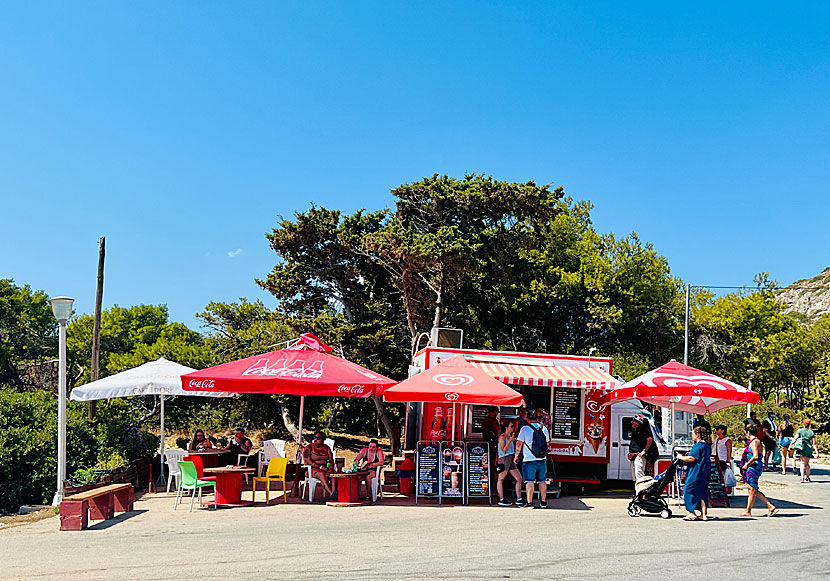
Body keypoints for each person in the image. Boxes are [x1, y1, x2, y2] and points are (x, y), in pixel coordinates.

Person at [737, 421, 778, 517]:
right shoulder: (754, 441)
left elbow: (755, 456)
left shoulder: (755, 442)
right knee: (752, 488)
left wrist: (746, 465)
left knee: (752, 488)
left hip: (753, 467)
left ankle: (749, 510)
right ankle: (768, 505)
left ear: (748, 433)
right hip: (753, 466)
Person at [514, 409, 550, 509]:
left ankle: (529, 503)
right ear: (537, 418)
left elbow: (519, 444)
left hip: (529, 460)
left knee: (529, 481)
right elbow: (547, 443)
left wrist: (516, 456)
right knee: (542, 481)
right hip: (542, 459)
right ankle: (543, 503)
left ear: (528, 418)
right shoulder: (544, 428)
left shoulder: (525, 429)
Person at [678, 426, 712, 521]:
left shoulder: (698, 445)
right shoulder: (706, 445)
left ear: (697, 434)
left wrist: (680, 457)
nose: (692, 436)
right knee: (702, 492)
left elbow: (691, 458)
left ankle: (691, 512)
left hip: (696, 472)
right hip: (705, 472)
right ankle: (703, 514)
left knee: (688, 490)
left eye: (693, 434)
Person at [303, 431, 337, 499]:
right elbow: (308, 461)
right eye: (315, 437)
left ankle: (334, 493)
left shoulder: (326, 448)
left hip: (325, 469)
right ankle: (331, 494)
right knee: (321, 474)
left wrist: (330, 468)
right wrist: (321, 467)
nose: (315, 439)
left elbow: (331, 460)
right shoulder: (309, 448)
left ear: (323, 440)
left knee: (334, 474)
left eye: (318, 438)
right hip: (312, 470)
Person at [496, 422, 523, 506]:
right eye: (511, 426)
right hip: (504, 458)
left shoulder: (510, 437)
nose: (513, 428)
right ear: (506, 427)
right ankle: (501, 498)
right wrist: (510, 441)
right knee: (501, 479)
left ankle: (519, 498)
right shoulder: (502, 437)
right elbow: (504, 450)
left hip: (511, 457)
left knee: (519, 478)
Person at [629, 415, 658, 480]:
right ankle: (638, 488)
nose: (631, 422)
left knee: (639, 474)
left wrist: (644, 451)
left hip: (639, 456)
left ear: (638, 422)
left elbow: (650, 439)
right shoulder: (635, 430)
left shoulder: (644, 430)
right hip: (633, 455)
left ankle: (642, 489)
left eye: (633, 420)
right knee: (635, 476)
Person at [793, 419, 817, 483]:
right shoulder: (811, 432)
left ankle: (802, 478)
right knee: (807, 463)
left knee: (802, 463)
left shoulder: (800, 431)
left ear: (803, 424)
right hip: (808, 448)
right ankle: (808, 477)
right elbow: (814, 443)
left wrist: (791, 445)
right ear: (809, 425)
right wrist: (817, 452)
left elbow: (795, 438)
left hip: (802, 447)